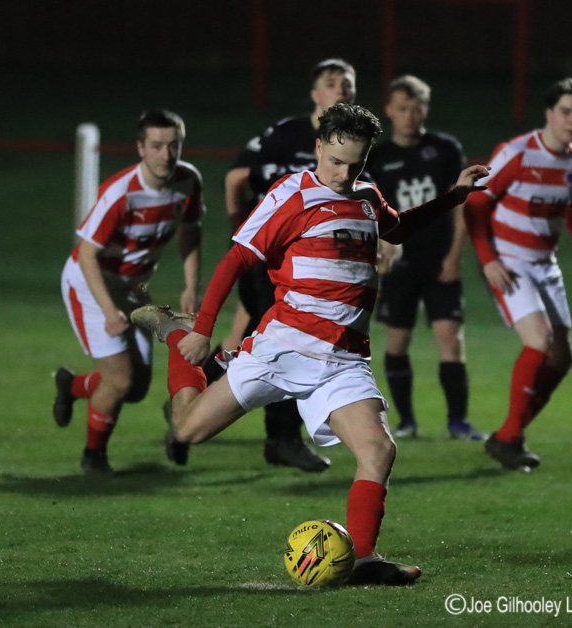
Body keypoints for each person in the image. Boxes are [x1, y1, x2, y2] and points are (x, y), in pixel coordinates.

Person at [132, 103, 489, 584]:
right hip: (282, 348)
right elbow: (236, 260)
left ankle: (361, 558)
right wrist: (200, 330)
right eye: (335, 162)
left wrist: (454, 197)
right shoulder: (291, 195)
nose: (343, 174)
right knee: (187, 430)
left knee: (378, 451)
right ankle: (173, 333)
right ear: (319, 147)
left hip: (342, 360)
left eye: (355, 165)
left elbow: (396, 227)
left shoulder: (366, 196)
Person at [178, 58, 359, 473]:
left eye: (348, 84)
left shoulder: (351, 147)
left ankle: (189, 385)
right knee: (289, 342)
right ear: (316, 95)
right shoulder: (286, 132)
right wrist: (242, 231)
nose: (342, 90)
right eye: (333, 84)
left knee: (247, 342)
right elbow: (237, 176)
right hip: (272, 261)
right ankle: (281, 439)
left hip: (316, 266)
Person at [464, 78, 572, 470]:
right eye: (566, 111)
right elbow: (476, 207)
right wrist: (488, 260)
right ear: (549, 113)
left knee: (562, 358)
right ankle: (512, 439)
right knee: (539, 340)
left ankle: (506, 435)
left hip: (545, 266)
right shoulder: (516, 153)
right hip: (508, 263)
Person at [53, 109, 204, 475]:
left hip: (134, 287)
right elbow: (87, 254)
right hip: (92, 283)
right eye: (156, 146)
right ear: (140, 147)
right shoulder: (121, 193)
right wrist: (108, 311)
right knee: (120, 379)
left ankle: (70, 385)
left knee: (134, 388)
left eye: (173, 146)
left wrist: (190, 285)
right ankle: (94, 456)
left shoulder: (188, 181)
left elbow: (191, 229)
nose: (166, 155)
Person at [367, 75, 483, 440]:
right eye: (403, 109)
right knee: (397, 342)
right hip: (399, 264)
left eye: (417, 109)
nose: (410, 116)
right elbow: (370, 214)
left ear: (425, 110)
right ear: (389, 110)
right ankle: (406, 422)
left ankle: (458, 423)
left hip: (439, 261)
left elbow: (462, 204)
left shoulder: (445, 149)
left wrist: (455, 254)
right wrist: (379, 258)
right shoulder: (379, 157)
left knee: (451, 338)